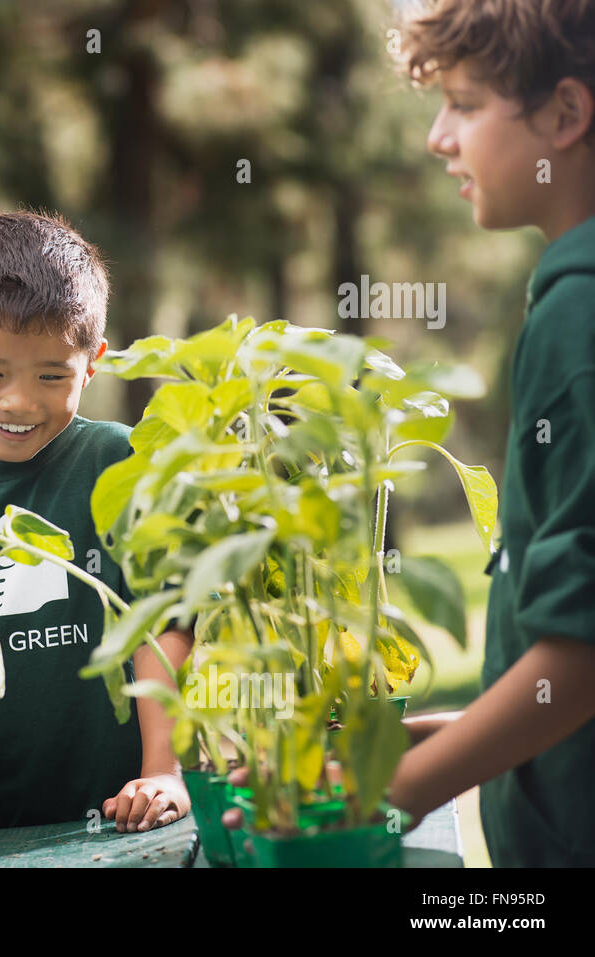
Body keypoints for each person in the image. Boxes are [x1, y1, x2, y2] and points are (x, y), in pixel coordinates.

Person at [0, 211, 194, 840]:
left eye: (52, 375)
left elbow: (165, 624)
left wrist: (164, 769)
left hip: (122, 827)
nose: (19, 402)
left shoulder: (121, 464)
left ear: (93, 363)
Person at [379, 0, 595, 867]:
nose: (438, 139)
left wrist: (391, 792)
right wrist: (455, 732)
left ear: (566, 114)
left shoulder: (578, 310)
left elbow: (582, 655)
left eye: (465, 105)